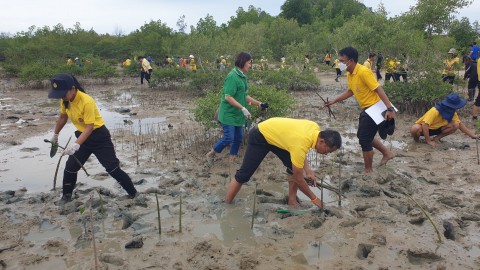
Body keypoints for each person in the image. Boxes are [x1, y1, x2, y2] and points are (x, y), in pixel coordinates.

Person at [48, 73, 137, 202]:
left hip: (99, 137)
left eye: (63, 94)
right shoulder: (65, 100)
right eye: (59, 95)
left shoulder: (87, 101)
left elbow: (90, 127)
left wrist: (75, 145)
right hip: (82, 137)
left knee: (112, 168)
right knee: (70, 167)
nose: (61, 97)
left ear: (73, 89)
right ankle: (66, 196)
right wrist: (55, 135)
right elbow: (63, 117)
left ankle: (133, 193)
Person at [225, 117, 341, 208]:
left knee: (292, 167)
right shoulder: (300, 142)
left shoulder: (314, 128)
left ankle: (292, 201)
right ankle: (227, 204)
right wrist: (314, 199)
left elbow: (300, 153)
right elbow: (298, 177)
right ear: (321, 141)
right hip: (260, 135)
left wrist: (309, 170)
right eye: (328, 151)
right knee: (244, 174)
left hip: (277, 137)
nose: (326, 154)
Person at [325, 46, 395, 173]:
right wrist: (334, 100)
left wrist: (389, 108)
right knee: (363, 135)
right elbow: (351, 91)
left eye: (342, 61)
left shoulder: (363, 71)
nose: (340, 63)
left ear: (351, 61)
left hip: (375, 108)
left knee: (364, 139)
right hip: (367, 109)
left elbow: (379, 89)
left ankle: (368, 170)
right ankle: (387, 153)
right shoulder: (349, 74)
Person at [206, 52, 267, 164]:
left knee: (238, 138)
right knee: (229, 137)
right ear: (243, 62)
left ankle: (232, 159)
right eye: (249, 63)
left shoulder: (242, 77)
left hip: (238, 114)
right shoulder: (232, 76)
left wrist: (259, 104)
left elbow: (245, 95)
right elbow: (228, 97)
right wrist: (243, 108)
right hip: (228, 113)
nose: (250, 66)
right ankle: (210, 154)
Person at [411, 93, 479, 146]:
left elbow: (460, 125)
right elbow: (424, 125)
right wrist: (429, 141)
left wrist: (473, 136)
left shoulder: (452, 112)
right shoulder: (435, 111)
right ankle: (417, 141)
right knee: (415, 128)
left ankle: (437, 138)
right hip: (424, 129)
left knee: (456, 124)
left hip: (438, 129)